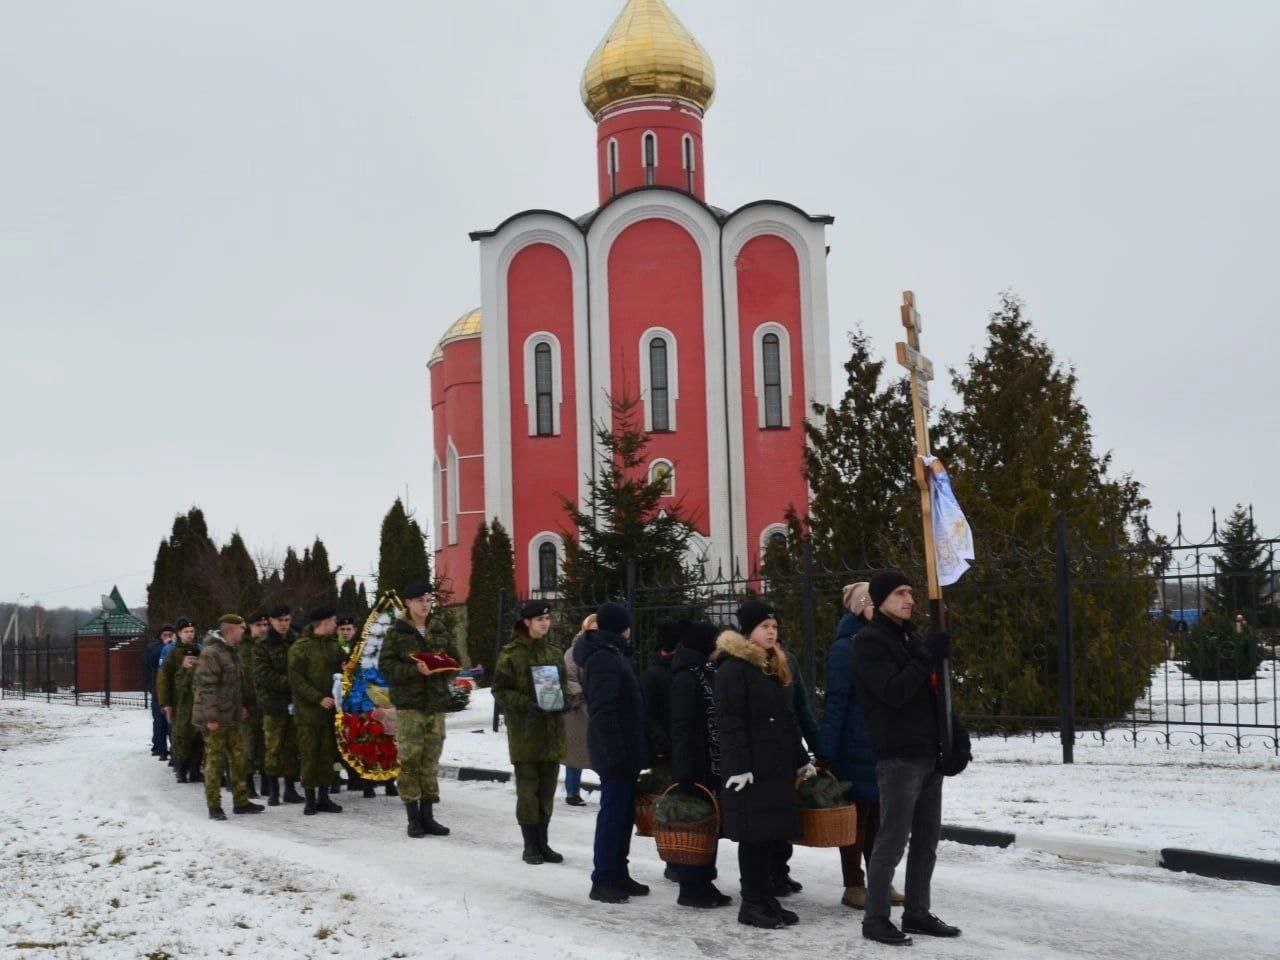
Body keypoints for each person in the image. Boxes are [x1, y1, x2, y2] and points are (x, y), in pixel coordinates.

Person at [853, 570, 966, 945]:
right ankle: (876, 917)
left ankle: (917, 911)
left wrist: (956, 739)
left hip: (928, 753)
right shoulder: (870, 643)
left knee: (927, 840)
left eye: (911, 593)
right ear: (881, 598)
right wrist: (925, 659)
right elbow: (893, 692)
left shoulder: (909, 638)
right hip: (898, 756)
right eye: (901, 593)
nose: (910, 599)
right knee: (892, 840)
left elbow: (935, 695)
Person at [715, 600, 814, 930]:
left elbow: (787, 720)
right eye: (764, 627)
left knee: (770, 835)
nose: (771, 632)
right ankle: (751, 903)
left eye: (774, 626)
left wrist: (801, 760)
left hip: (775, 767)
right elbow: (729, 723)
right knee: (753, 837)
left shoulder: (769, 667)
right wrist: (738, 767)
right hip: (752, 769)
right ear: (748, 632)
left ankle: (766, 897)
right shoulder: (733, 669)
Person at [817, 582, 900, 911]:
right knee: (857, 819)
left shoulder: (881, 641)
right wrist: (826, 750)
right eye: (873, 603)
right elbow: (835, 701)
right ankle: (854, 884)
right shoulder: (844, 648)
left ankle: (881, 881)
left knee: (880, 818)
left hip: (880, 743)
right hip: (854, 745)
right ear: (860, 607)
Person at [578, 602, 649, 904]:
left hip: (623, 750)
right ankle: (604, 878)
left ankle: (619, 871)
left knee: (622, 815)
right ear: (623, 627)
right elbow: (603, 711)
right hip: (614, 753)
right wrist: (617, 753)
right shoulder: (605, 658)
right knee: (612, 815)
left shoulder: (613, 654)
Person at [379, 580, 459, 838]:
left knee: (430, 761)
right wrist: (414, 670)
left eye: (428, 600)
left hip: (435, 704)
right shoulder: (396, 633)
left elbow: (455, 658)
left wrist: (446, 667)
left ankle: (429, 816)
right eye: (420, 600)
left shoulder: (438, 629)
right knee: (411, 761)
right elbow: (386, 668)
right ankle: (413, 817)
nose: (425, 604)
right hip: (410, 706)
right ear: (408, 603)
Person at [493, 601, 567, 865]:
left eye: (547, 618)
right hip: (526, 733)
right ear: (527, 622)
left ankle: (543, 842)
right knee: (528, 791)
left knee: (547, 791)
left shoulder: (554, 652)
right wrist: (526, 704)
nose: (545, 623)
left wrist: (564, 699)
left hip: (552, 732)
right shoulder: (511, 654)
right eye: (539, 619)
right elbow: (500, 691)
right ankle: (530, 845)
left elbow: (563, 685)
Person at [668, 620, 733, 909]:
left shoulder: (707, 672)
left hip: (713, 761)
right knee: (695, 825)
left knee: (710, 824)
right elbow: (681, 728)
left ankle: (705, 880)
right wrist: (684, 774)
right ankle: (691, 887)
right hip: (695, 764)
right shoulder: (686, 678)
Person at [193, 614, 265, 820]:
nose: (245, 631)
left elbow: (235, 685)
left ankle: (241, 801)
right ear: (231, 630)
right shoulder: (211, 653)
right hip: (215, 718)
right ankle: (214, 806)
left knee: (238, 758)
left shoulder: (232, 651)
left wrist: (241, 706)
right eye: (242, 628)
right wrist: (211, 718)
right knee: (215, 761)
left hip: (231, 716)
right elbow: (206, 687)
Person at [288, 607, 346, 816]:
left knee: (327, 756)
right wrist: (317, 698)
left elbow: (343, 669)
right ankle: (310, 799)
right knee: (310, 755)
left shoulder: (333, 646)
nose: (336, 624)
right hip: (308, 713)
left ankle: (324, 797)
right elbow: (296, 680)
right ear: (322, 622)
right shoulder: (300, 647)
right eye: (333, 620)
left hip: (330, 712)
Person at [254, 604, 303, 806]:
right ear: (272, 621)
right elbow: (263, 675)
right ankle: (274, 789)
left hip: (294, 703)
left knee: (292, 747)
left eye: (287, 620)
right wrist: (291, 682)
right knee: (273, 747)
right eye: (279, 620)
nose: (284, 624)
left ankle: (290, 788)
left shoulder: (296, 640)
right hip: (273, 704)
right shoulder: (263, 645)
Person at [158, 617, 204, 784]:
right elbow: (164, 679)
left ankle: (195, 769)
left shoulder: (199, 650)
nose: (190, 635)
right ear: (179, 633)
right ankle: (181, 769)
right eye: (186, 632)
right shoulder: (173, 653)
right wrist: (166, 703)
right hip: (180, 701)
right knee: (182, 735)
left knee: (198, 736)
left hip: (198, 699)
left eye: (192, 631)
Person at [562, 614, 595, 807]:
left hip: (595, 706)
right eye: (592, 627)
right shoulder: (573, 652)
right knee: (575, 753)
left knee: (596, 752)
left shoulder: (601, 651)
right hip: (578, 709)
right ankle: (572, 792)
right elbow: (569, 678)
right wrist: (581, 695)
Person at [239, 612, 270, 799]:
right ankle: (248, 783)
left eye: (266, 624)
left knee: (265, 745)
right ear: (250, 627)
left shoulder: (268, 646)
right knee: (248, 745)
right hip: (248, 704)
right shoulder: (242, 648)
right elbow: (236, 679)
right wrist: (240, 703)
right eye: (259, 625)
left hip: (266, 703)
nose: (263, 628)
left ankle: (267, 782)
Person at [640, 620, 679, 765]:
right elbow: (648, 715)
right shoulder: (652, 674)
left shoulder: (684, 669)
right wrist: (665, 745)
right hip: (665, 750)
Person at [144, 624, 174, 760]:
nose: (168, 637)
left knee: (170, 721)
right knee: (159, 720)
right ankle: (160, 747)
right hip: (157, 689)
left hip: (171, 688)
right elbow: (150, 661)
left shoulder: (175, 648)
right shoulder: (154, 648)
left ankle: (173, 748)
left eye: (170, 635)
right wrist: (165, 646)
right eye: (165, 635)